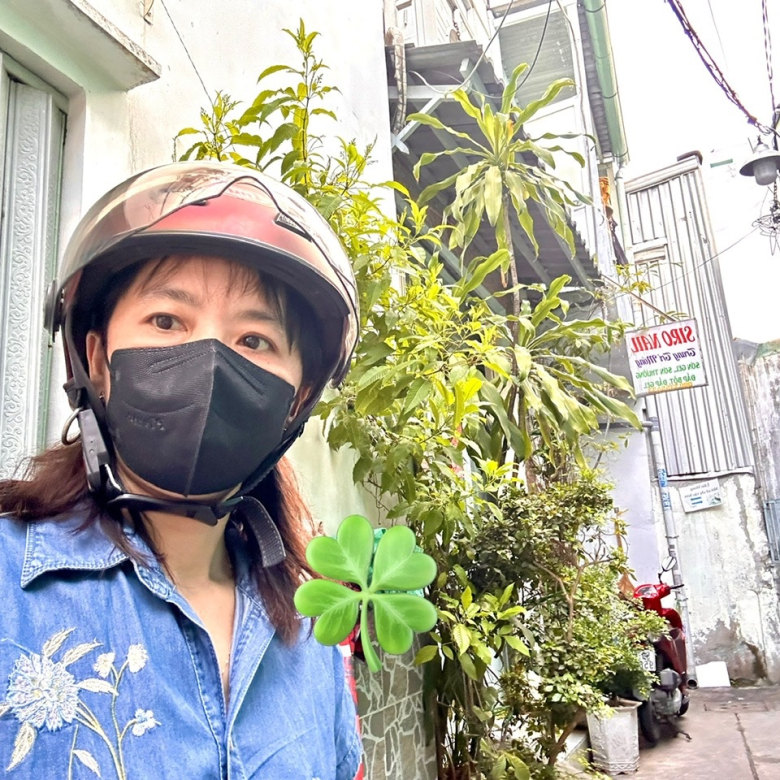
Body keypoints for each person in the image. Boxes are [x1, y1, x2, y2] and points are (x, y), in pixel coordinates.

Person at [0, 162, 362, 779]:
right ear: (97, 360)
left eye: (255, 340)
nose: (212, 362)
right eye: (166, 320)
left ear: (297, 400)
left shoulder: (312, 630)